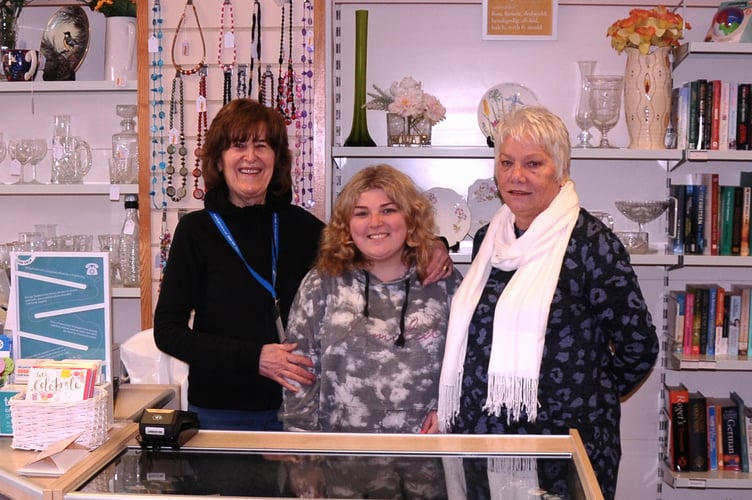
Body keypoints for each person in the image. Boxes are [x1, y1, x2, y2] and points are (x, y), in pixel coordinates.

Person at [154, 99, 453, 431]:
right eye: (238, 146)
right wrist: (254, 357)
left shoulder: (303, 228)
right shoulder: (196, 231)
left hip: (301, 410)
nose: (250, 157)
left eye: (262, 146)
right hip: (224, 409)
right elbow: (169, 332)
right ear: (219, 159)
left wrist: (434, 246)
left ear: (277, 159)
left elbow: (376, 245)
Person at [437, 106, 659, 499]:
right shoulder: (489, 239)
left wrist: (586, 394)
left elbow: (638, 346)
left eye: (533, 164)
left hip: (562, 448)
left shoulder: (592, 243)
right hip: (483, 438)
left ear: (560, 170)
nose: (516, 175)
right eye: (506, 162)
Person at [281, 163, 463, 435]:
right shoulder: (322, 283)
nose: (376, 222)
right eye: (361, 213)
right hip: (339, 460)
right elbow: (299, 370)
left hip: (426, 458)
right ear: (346, 225)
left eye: (388, 210)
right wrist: (299, 442)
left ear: (410, 218)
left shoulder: (445, 282)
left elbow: (470, 364)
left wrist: (450, 411)